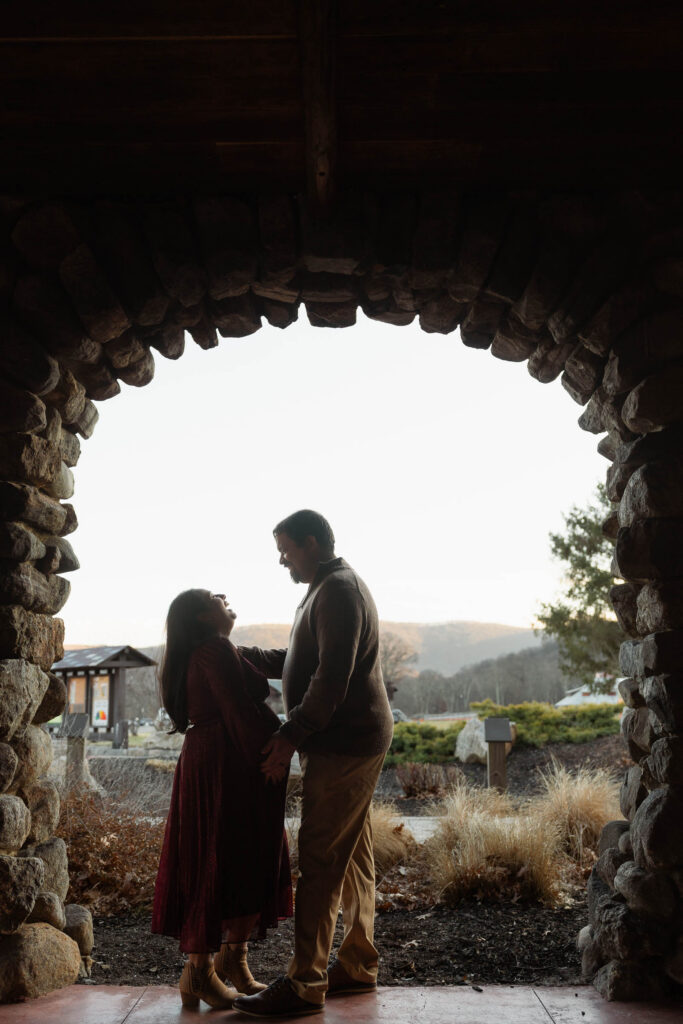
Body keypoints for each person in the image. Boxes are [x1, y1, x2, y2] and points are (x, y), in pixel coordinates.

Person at [233, 510, 394, 1018]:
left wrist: (288, 734)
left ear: (311, 542)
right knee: (354, 856)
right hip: (344, 740)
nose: (281, 559)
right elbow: (301, 659)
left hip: (344, 744)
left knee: (322, 856)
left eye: (286, 549)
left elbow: (331, 679)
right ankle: (359, 963)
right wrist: (245, 656)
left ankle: (304, 983)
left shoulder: (340, 589)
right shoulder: (325, 588)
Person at [151, 589, 293, 1010]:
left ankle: (231, 961)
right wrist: (274, 755)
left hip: (216, 760)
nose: (225, 596)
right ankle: (199, 973)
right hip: (227, 766)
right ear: (201, 617)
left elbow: (273, 665)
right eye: (215, 596)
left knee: (230, 858)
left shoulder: (214, 648)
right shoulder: (214, 649)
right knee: (221, 857)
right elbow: (238, 712)